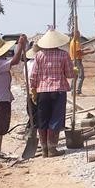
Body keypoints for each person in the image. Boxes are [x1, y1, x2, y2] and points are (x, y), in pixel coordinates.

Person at [28, 29, 74, 157]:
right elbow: (69, 74)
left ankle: (44, 150)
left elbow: (34, 75)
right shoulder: (64, 55)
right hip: (58, 90)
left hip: (42, 91)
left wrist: (33, 90)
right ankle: (52, 148)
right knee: (56, 119)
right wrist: (72, 71)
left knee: (43, 119)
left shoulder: (39, 55)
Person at [0, 35, 27, 159]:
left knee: (2, 124)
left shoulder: (0, 62)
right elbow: (15, 61)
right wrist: (20, 46)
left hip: (2, 97)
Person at [68, 29, 95, 95]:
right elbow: (79, 53)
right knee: (81, 76)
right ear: (75, 34)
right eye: (78, 33)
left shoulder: (73, 42)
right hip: (77, 61)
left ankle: (72, 91)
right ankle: (78, 91)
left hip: (73, 60)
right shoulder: (76, 42)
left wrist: (86, 49)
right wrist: (90, 52)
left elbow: (79, 50)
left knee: (75, 76)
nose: (80, 35)